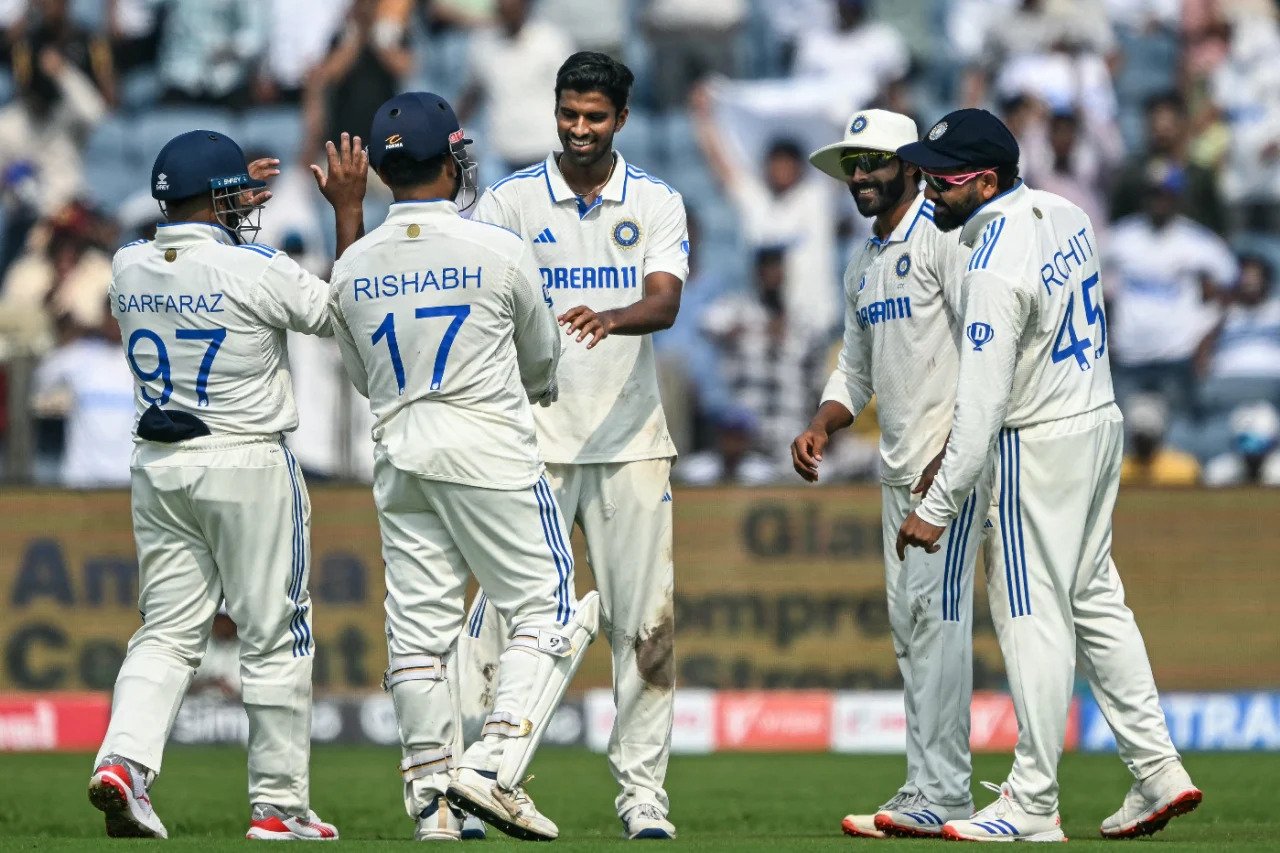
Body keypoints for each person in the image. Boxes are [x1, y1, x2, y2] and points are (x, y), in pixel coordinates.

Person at [896, 108, 1201, 842]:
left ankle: (1032, 799)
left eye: (942, 179)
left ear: (988, 179)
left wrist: (937, 506)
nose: (927, 189)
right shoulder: (1066, 212)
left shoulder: (990, 266)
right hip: (1097, 420)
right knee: (1095, 598)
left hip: (1035, 442)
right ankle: (1157, 768)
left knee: (1030, 611)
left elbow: (981, 406)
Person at [327, 91, 598, 843]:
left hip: (401, 451)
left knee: (417, 631)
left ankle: (431, 798)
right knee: (549, 610)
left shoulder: (351, 268)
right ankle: (493, 764)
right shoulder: (499, 249)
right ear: (451, 163)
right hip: (489, 450)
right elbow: (543, 363)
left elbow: (358, 374)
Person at [86, 128, 365, 840]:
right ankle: (276, 804)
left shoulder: (126, 267)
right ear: (214, 199)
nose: (248, 208)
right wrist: (347, 211)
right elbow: (342, 314)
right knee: (275, 634)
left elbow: (192, 239)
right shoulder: (256, 267)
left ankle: (123, 762)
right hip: (245, 460)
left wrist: (223, 189)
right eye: (235, 197)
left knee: (166, 633)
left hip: (159, 465)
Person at [458, 51, 689, 841]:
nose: (579, 129)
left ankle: (642, 795)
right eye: (569, 114)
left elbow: (665, 303)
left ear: (621, 119)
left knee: (645, 628)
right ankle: (476, 778)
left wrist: (609, 318)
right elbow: (474, 297)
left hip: (631, 445)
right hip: (531, 447)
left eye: (595, 117)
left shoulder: (656, 200)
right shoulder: (511, 199)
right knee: (501, 623)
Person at [790, 110, 988, 839]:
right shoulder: (863, 261)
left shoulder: (941, 238)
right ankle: (925, 784)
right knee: (911, 630)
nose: (862, 177)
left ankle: (946, 791)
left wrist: (956, 454)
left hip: (953, 465)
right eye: (853, 166)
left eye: (875, 162)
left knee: (937, 624)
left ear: (910, 165)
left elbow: (984, 348)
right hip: (898, 469)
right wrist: (821, 423)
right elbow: (856, 368)